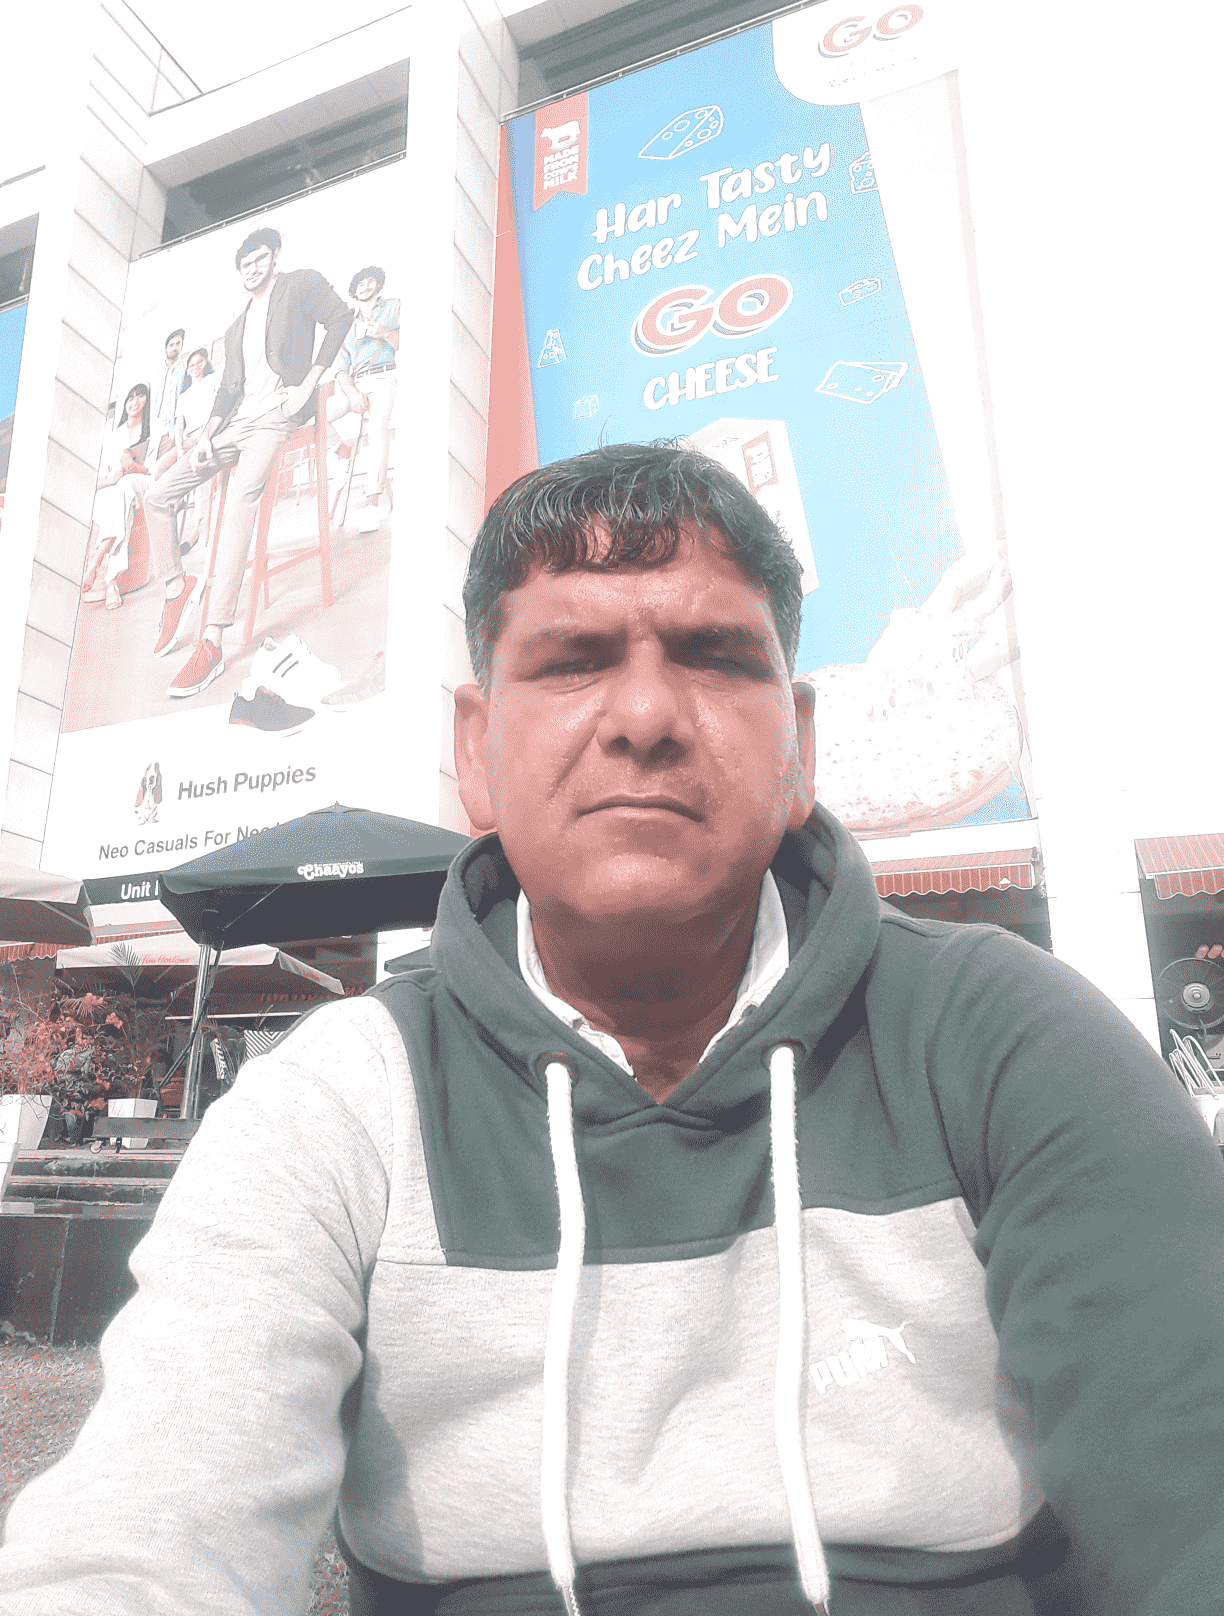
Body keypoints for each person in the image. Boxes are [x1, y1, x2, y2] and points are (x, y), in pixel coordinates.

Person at [3, 443, 1223, 1615]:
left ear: (801, 747)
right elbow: (146, 1534)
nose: (645, 713)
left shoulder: (1003, 1038)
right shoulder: (340, 1105)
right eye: (574, 659)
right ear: (477, 752)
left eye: (714, 655)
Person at [140, 227, 352, 699]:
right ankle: (176, 588)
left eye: (259, 258)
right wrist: (206, 437)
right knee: (157, 495)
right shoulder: (235, 328)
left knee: (239, 502)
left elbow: (341, 318)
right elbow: (228, 390)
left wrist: (310, 382)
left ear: (275, 256)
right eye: (245, 263)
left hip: (276, 417)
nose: (252, 268)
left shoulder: (299, 284)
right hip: (234, 425)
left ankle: (212, 640)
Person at [327, 263, 399, 533]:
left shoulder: (395, 307)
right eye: (360, 284)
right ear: (354, 291)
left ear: (378, 284)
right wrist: (353, 392)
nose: (365, 286)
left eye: (370, 281)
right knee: (321, 412)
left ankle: (372, 505)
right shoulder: (347, 323)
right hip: (356, 383)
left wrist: (383, 332)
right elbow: (340, 368)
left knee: (378, 428)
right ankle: (343, 451)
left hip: (384, 377)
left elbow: (411, 342)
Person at [80, 382, 152, 611]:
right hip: (116, 489)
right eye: (131, 398)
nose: (135, 402)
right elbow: (96, 480)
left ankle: (96, 560)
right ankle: (111, 582)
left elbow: (156, 469)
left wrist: (136, 468)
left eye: (140, 396)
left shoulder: (153, 429)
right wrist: (112, 479)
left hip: (143, 483)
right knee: (119, 497)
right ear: (124, 404)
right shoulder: (114, 436)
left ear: (147, 400)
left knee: (125, 487)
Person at [171, 346, 217, 553]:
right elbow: (178, 426)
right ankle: (175, 503)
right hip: (188, 439)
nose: (196, 367)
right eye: (191, 365)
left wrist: (206, 435)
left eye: (199, 362)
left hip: (206, 435)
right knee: (160, 468)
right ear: (187, 370)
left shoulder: (212, 380)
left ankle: (196, 531)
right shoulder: (183, 396)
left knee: (200, 470)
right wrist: (179, 447)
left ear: (205, 363)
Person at [150, 327, 186, 475]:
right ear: (166, 348)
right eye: (171, 345)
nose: (174, 348)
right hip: (156, 425)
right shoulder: (157, 370)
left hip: (173, 426)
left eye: (178, 344)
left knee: (167, 467)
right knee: (151, 464)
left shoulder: (184, 368)